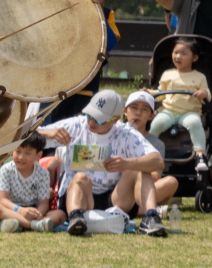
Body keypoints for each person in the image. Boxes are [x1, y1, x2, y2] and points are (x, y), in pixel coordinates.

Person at [39, 88, 166, 236]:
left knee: (140, 168)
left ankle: (151, 217)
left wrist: (128, 163)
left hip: (114, 198)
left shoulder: (126, 133)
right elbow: (23, 136)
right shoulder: (77, 125)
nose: (91, 122)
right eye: (89, 115)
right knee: (80, 177)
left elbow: (158, 161)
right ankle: (75, 218)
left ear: (115, 119)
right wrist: (46, 133)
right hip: (79, 196)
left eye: (99, 119)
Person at [149, 38, 209, 167]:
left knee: (194, 123)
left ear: (195, 58)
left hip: (190, 112)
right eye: (175, 52)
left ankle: (200, 155)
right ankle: (147, 151)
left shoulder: (199, 77)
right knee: (156, 124)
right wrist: (149, 92)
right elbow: (160, 94)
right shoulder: (167, 74)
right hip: (168, 111)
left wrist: (204, 93)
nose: (178, 56)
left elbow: (207, 94)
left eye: (183, 53)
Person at [0, 136, 61, 232]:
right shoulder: (6, 169)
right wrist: (20, 210)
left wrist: (37, 214)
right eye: (18, 151)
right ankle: (34, 225)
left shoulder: (43, 173)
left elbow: (44, 203)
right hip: (12, 210)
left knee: (60, 214)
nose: (21, 157)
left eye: (28, 153)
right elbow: (2, 199)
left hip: (34, 211)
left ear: (38, 155)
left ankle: (17, 224)